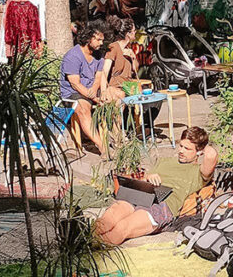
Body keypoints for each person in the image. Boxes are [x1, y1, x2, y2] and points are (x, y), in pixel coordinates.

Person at [96, 126, 219, 245]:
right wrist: (149, 177)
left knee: (123, 227)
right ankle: (83, 245)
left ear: (199, 152)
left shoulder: (198, 172)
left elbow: (211, 155)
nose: (181, 151)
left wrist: (203, 143)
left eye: (187, 148)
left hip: (163, 205)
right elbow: (143, 178)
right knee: (107, 219)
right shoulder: (164, 161)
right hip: (143, 194)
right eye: (181, 146)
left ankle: (92, 253)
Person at [59, 21, 107, 151]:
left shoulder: (98, 55)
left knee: (117, 97)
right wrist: (94, 98)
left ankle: (118, 138)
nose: (101, 43)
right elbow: (75, 84)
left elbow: (98, 77)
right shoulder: (73, 56)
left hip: (91, 90)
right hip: (72, 94)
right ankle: (102, 146)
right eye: (98, 40)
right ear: (88, 38)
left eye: (102, 40)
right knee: (84, 108)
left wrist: (96, 92)